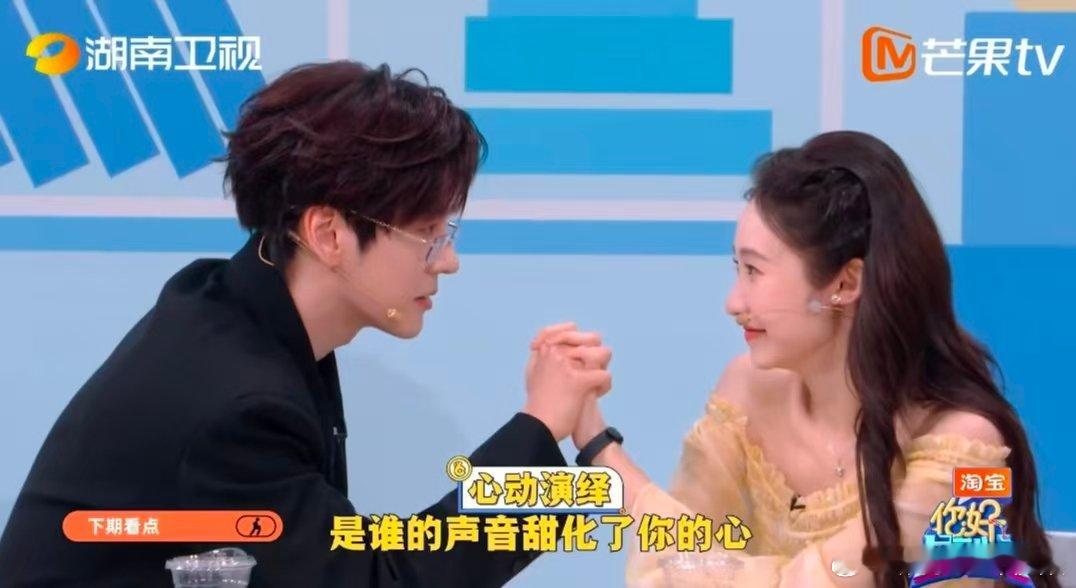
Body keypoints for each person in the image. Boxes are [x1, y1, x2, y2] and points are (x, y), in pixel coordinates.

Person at [0, 61, 612, 587]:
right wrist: (541, 427)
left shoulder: (231, 307)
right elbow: (381, 581)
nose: (447, 261)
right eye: (427, 233)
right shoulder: (235, 406)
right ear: (328, 233)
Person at [550, 131, 1060, 586]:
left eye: (754, 271)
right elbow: (678, 566)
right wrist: (591, 432)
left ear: (845, 283)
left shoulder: (965, 447)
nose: (733, 302)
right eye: (736, 268)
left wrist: (603, 452)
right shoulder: (747, 391)